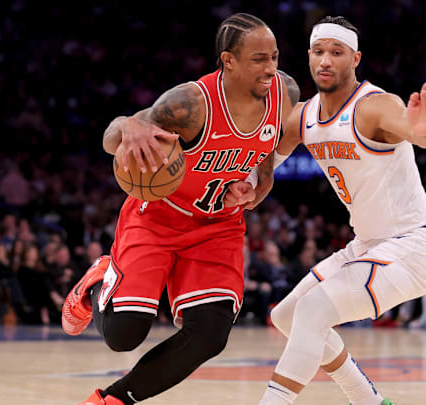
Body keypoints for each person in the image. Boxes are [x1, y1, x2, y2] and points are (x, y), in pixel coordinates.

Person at [60, 13, 298, 405]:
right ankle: (97, 282)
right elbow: (111, 138)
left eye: (274, 57)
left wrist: (251, 187)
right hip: (157, 217)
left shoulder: (284, 93)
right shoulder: (191, 103)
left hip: (217, 227)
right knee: (124, 335)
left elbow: (266, 160)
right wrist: (130, 124)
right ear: (228, 60)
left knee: (210, 334)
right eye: (259, 59)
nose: (270, 68)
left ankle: (113, 400)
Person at [252, 16, 426, 405]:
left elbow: (422, 134)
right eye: (319, 52)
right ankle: (368, 400)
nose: (326, 60)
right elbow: (264, 166)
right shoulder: (303, 115)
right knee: (286, 317)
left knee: (314, 309)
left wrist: (424, 129)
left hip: (415, 246)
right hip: (368, 245)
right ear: (309, 56)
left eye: (336, 53)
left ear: (355, 58)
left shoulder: (375, 106)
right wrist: (246, 188)